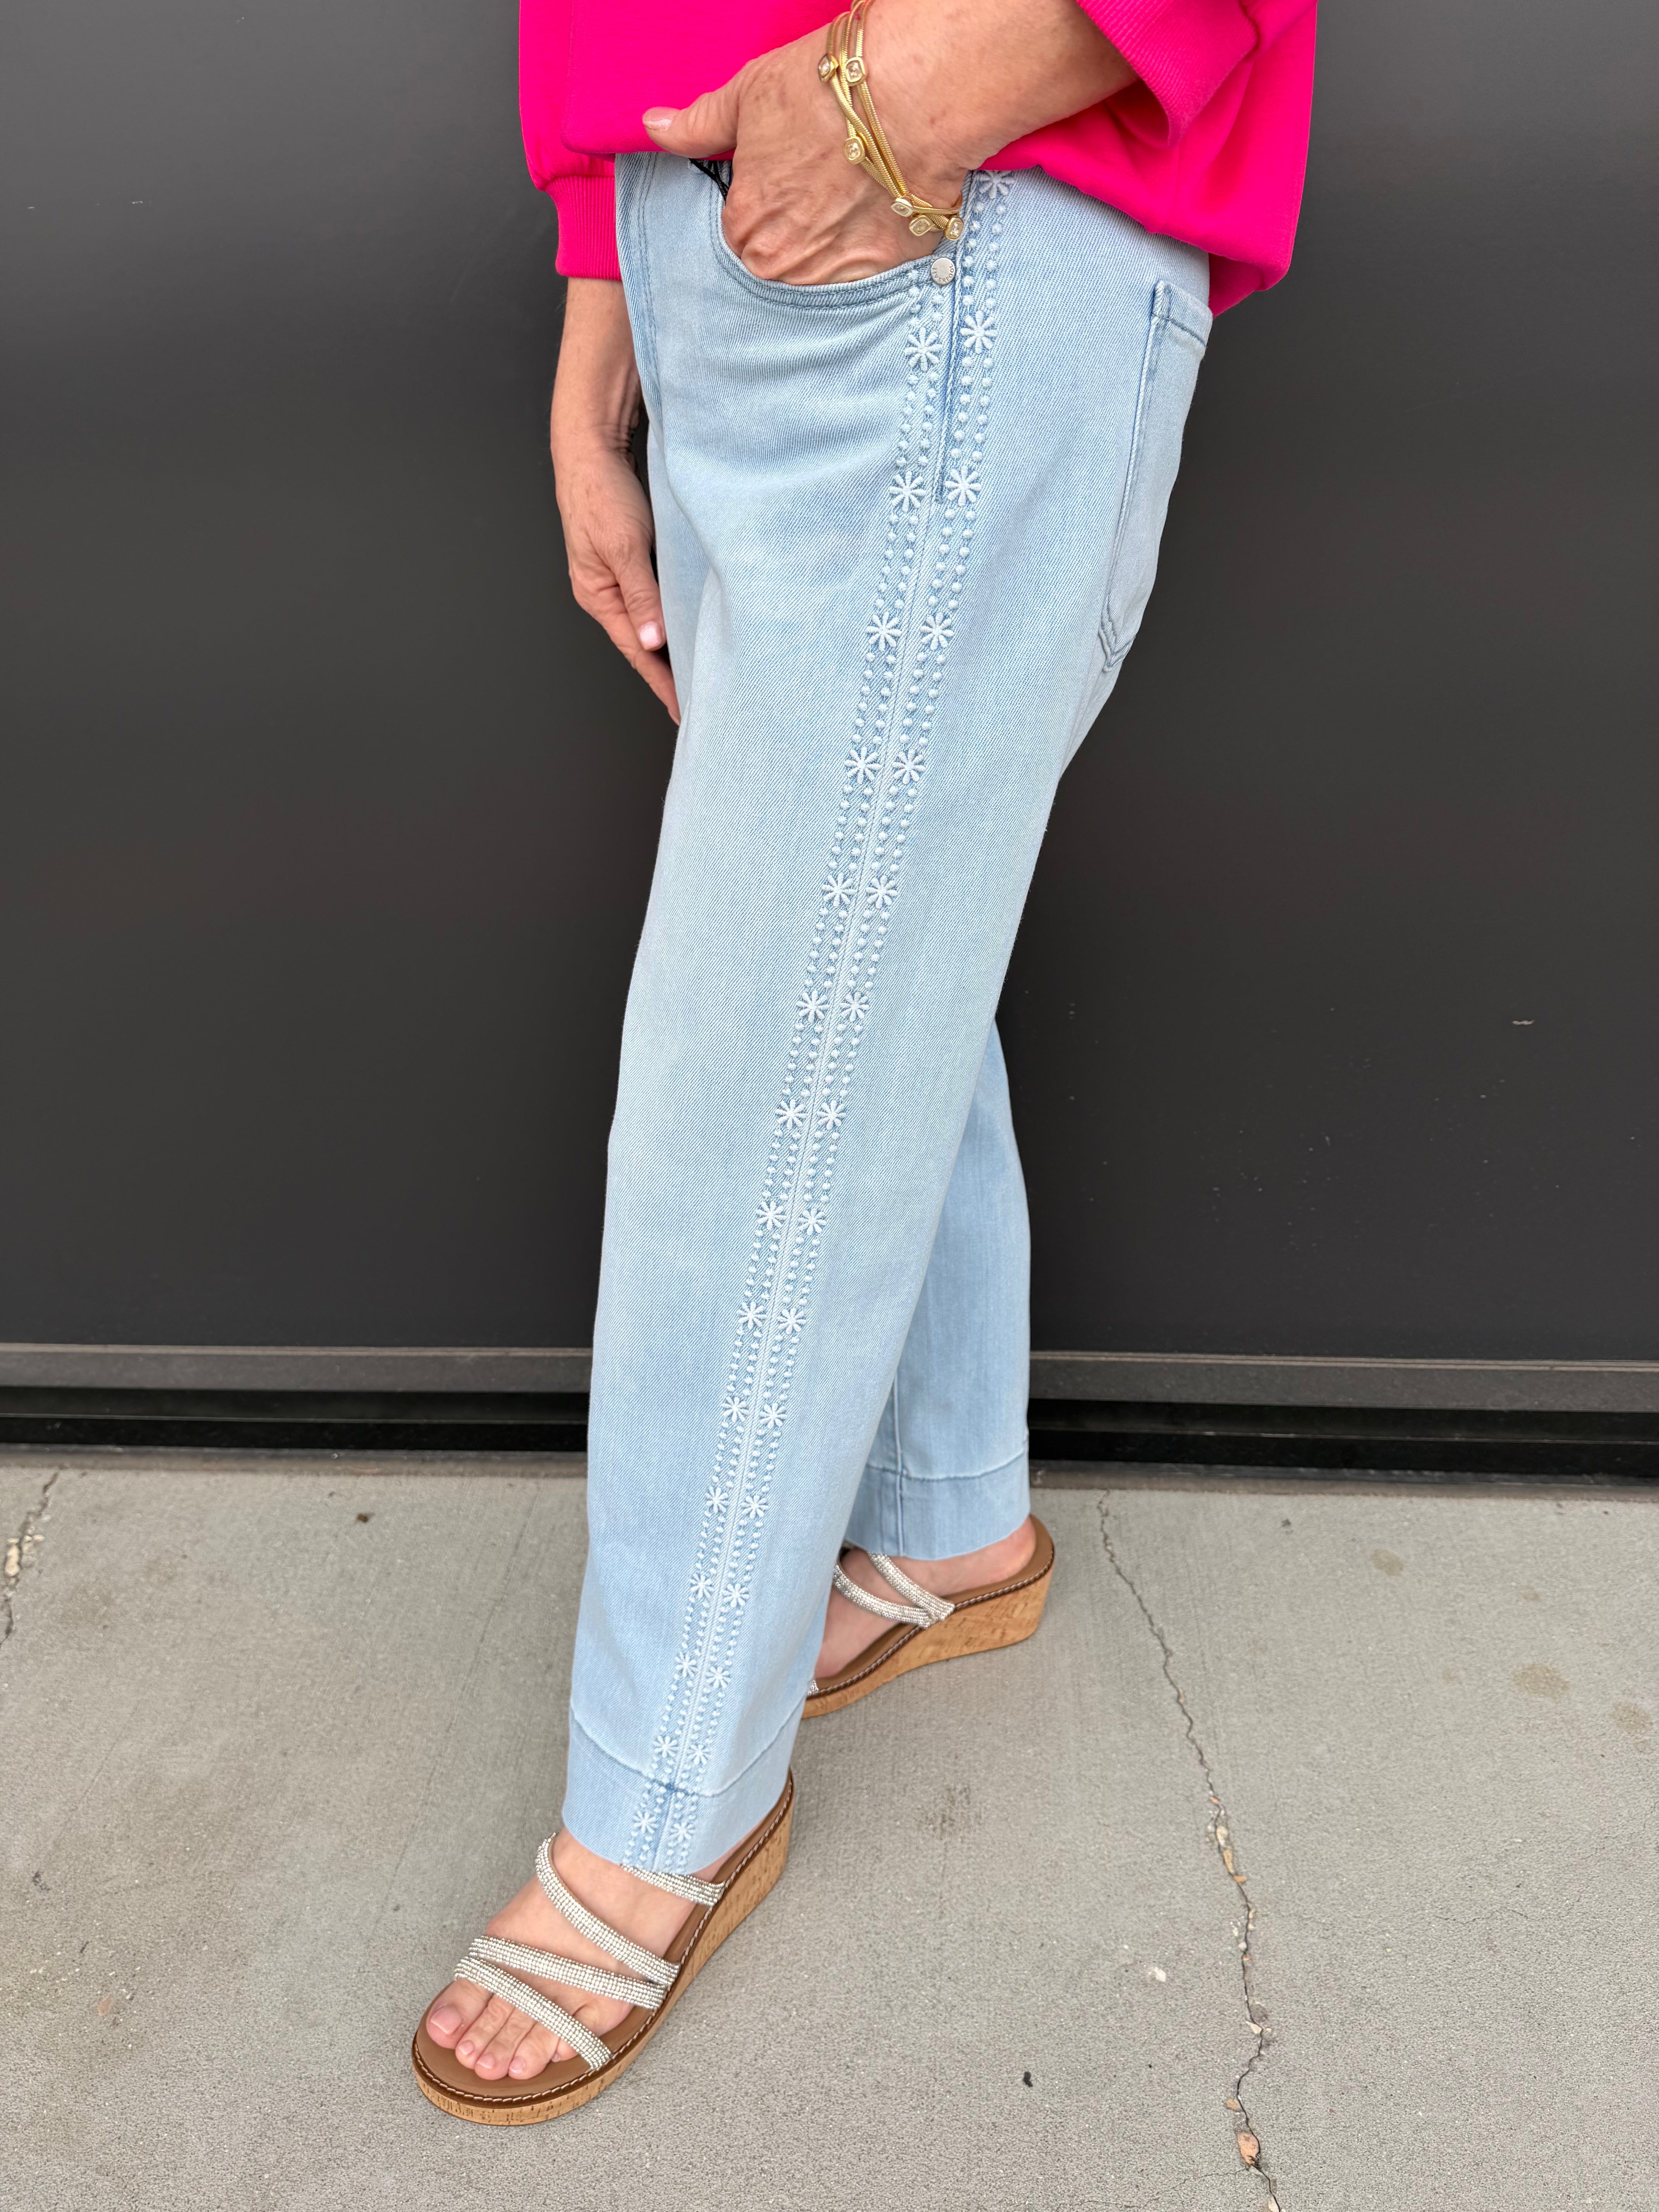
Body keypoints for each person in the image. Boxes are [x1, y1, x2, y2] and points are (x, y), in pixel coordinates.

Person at [412, 0, 1316, 2124]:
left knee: (768, 1061)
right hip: (738, 218)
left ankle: (665, 1805)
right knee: (869, 953)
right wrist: (609, 296)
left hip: (949, 194)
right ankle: (948, 1524)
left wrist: (917, 89)